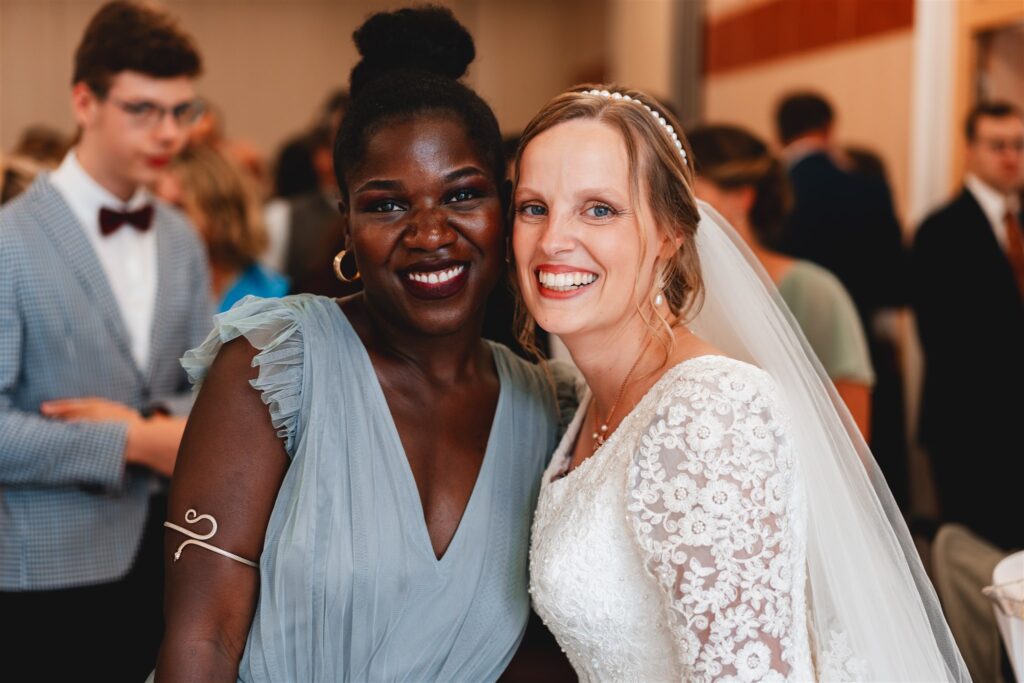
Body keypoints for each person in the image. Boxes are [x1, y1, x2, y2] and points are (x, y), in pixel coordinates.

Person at [155, 7, 573, 682]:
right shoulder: (274, 366)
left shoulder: (553, 410)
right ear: (346, 224)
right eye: (387, 205)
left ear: (507, 208)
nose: (430, 234)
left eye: (462, 196)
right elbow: (201, 642)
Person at [513, 85, 969, 681]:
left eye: (599, 209)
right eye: (533, 207)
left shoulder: (711, 412)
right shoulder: (589, 398)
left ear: (670, 235)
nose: (552, 239)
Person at [0, 2, 211, 680]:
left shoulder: (180, 237)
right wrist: (132, 442)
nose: (168, 131)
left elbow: (207, 385)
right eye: (143, 109)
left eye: (181, 111)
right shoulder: (10, 239)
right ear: (84, 101)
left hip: (170, 554)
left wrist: (163, 425)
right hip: (44, 572)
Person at [688, 124, 874, 438]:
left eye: (688, 194)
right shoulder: (666, 292)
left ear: (741, 198)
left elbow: (852, 435)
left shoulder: (814, 292)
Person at [774, 90, 911, 508]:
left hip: (783, 345)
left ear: (780, 134)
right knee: (858, 470)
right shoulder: (867, 187)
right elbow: (895, 282)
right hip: (860, 342)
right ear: (829, 128)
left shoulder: (777, 188)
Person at [912, 101, 1024, 552]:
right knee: (979, 560)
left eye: (1018, 145)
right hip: (971, 428)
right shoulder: (939, 231)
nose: (1010, 156)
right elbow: (942, 339)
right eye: (997, 145)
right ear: (970, 150)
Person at [156, 144, 288, 312]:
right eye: (156, 209)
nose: (161, 221)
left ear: (219, 213)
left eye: (178, 208)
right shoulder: (145, 288)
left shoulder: (274, 299)